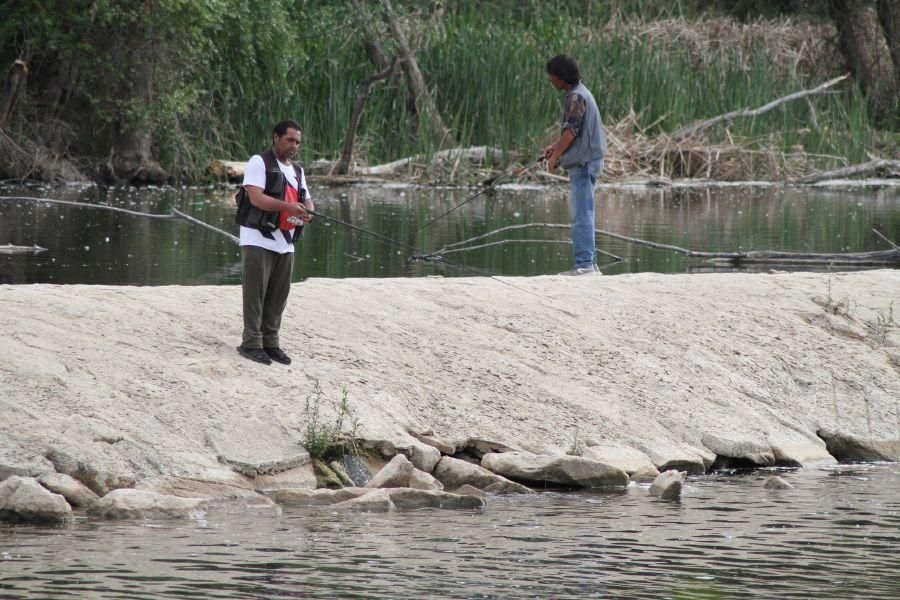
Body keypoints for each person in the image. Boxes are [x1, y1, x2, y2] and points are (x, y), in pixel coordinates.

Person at [235, 120, 314, 365]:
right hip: (258, 239)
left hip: (286, 243)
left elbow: (308, 202)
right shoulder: (259, 162)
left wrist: (307, 213)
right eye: (290, 140)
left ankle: (271, 343)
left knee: (278, 297)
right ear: (276, 138)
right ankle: (250, 343)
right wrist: (288, 207)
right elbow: (256, 198)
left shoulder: (298, 171)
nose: (294, 146)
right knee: (255, 295)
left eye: (298, 142)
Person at [542, 54, 608, 276]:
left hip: (585, 162)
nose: (551, 81)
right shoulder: (582, 92)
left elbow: (571, 132)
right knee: (585, 212)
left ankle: (584, 266)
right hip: (590, 159)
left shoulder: (575, 97)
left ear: (561, 76)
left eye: (552, 77)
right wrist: (555, 146)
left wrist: (555, 158)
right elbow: (575, 131)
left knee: (581, 214)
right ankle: (591, 264)